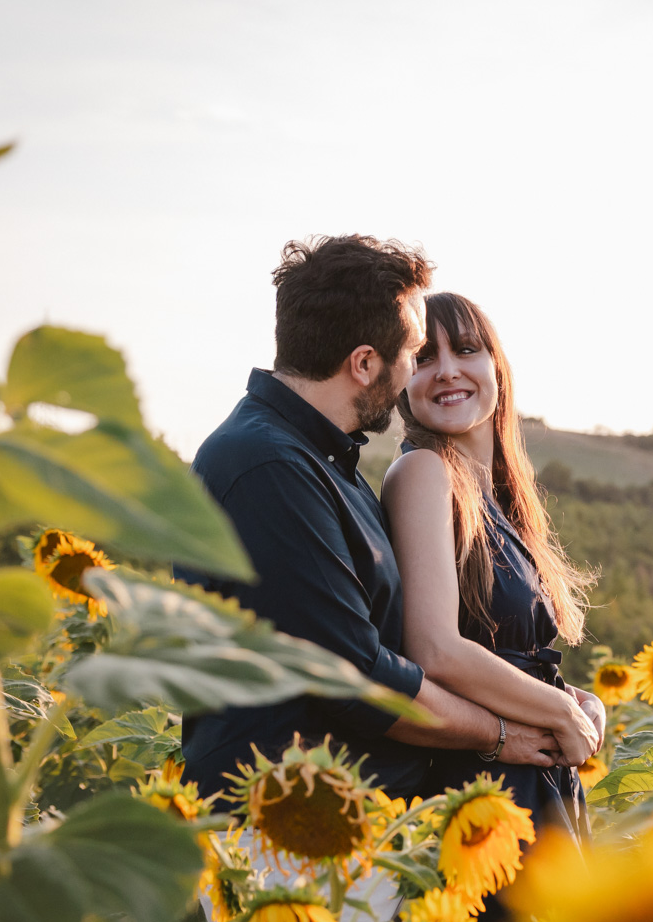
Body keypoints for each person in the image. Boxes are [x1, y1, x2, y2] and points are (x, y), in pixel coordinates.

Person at [179, 237, 567, 807]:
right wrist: (501, 734)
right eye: (415, 352)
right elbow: (356, 676)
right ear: (364, 363)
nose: (419, 370)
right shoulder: (270, 467)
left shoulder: (324, 465)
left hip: (337, 816)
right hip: (284, 822)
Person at [382, 292, 599, 922]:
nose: (448, 371)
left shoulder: (497, 492)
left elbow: (523, 657)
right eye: (426, 357)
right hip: (484, 821)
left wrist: (577, 708)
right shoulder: (425, 473)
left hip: (540, 815)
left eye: (468, 351)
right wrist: (560, 715)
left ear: (500, 370)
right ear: (401, 382)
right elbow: (434, 645)